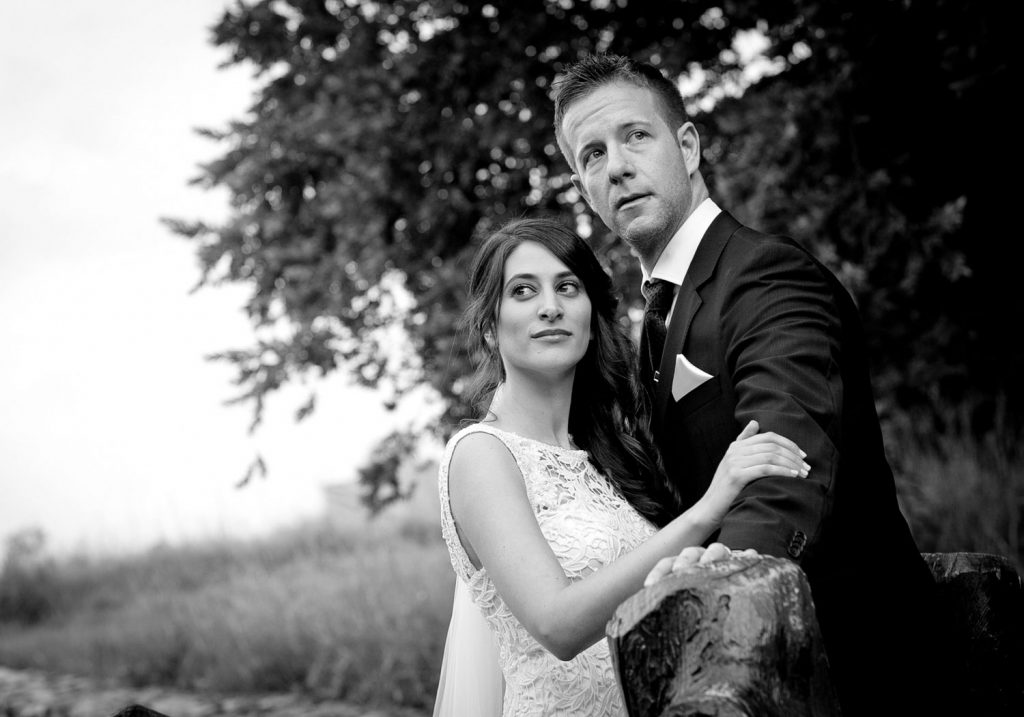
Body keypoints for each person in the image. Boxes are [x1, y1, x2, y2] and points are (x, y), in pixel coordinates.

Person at [552, 53, 952, 715]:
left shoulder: (766, 275)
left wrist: (724, 574)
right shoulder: (657, 319)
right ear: (584, 187)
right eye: (592, 155)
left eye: (636, 136)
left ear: (687, 146)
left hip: (862, 667)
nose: (616, 166)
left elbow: (786, 456)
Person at [433, 217, 809, 716]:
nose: (550, 306)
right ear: (488, 329)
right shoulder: (481, 454)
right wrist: (707, 510)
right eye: (522, 291)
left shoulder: (609, 456)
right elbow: (556, 624)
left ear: (591, 319)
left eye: (567, 287)